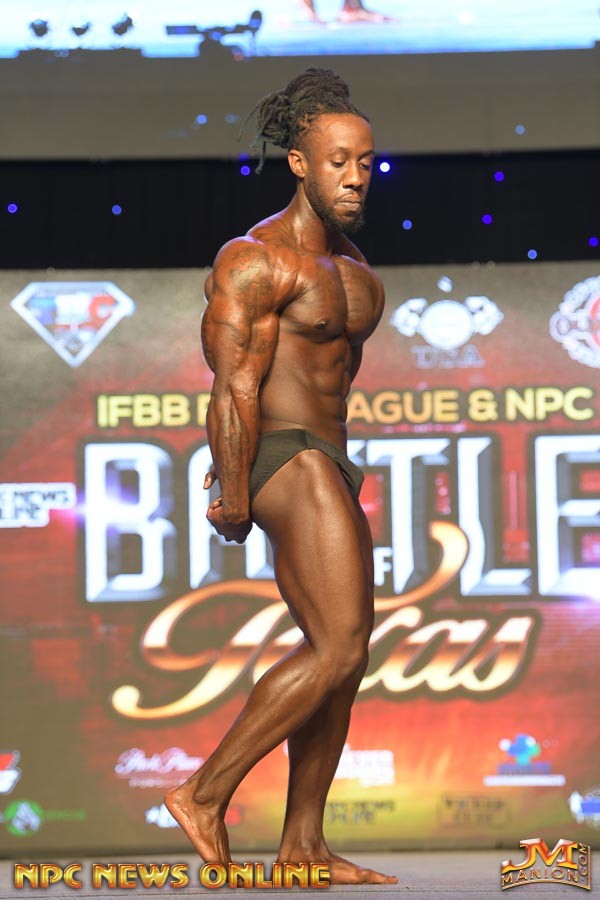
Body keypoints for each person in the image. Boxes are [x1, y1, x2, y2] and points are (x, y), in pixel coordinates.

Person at [165, 67, 397, 886]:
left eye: (366, 163)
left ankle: (303, 844)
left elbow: (337, 382)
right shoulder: (255, 260)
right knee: (338, 645)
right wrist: (233, 491)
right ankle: (202, 792)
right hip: (279, 450)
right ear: (300, 164)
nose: (356, 177)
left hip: (327, 457)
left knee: (343, 656)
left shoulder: (357, 272)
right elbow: (233, 385)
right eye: (338, 162)